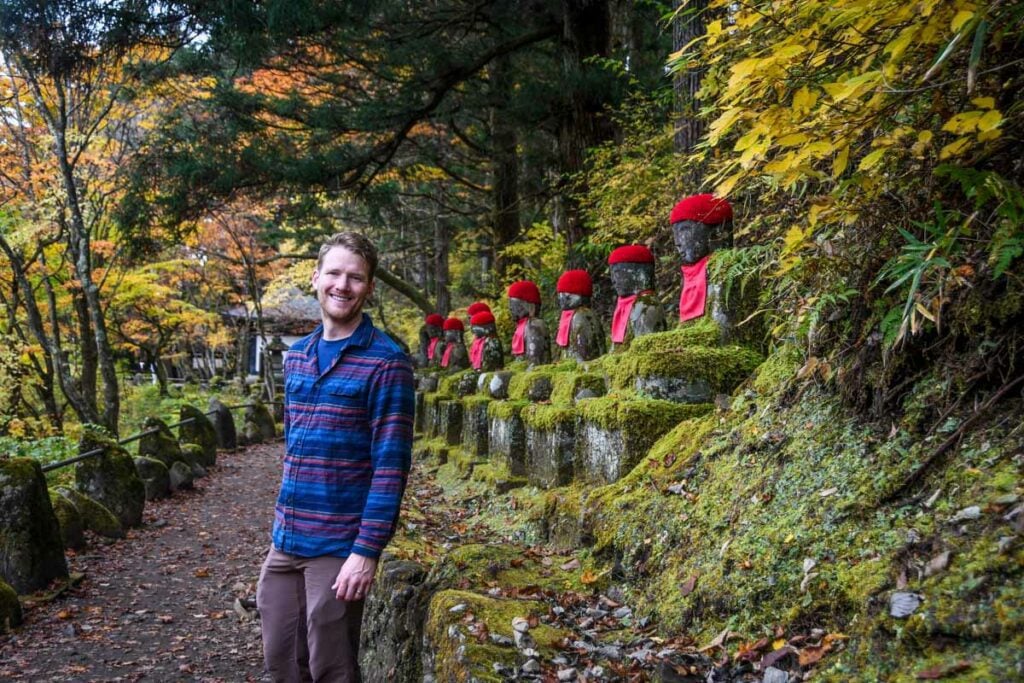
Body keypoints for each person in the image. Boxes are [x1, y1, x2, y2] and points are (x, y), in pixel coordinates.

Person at [257, 232, 414, 682]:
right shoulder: (297, 357)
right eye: (334, 273)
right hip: (286, 540)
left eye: (355, 277)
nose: (342, 285)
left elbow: (390, 468)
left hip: (339, 546)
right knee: (281, 664)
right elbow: (297, 450)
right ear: (315, 278)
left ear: (369, 288)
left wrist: (365, 553)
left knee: (332, 669)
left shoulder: (387, 363)